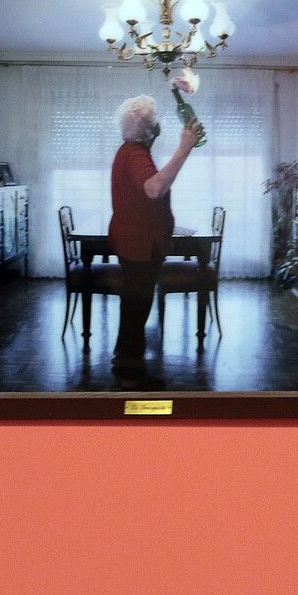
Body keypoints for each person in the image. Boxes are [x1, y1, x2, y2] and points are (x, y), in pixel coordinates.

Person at [107, 95, 203, 389]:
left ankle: (124, 362)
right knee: (137, 306)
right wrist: (185, 147)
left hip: (135, 241)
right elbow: (154, 188)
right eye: (157, 119)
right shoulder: (136, 153)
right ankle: (130, 378)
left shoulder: (132, 151)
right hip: (139, 244)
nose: (161, 122)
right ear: (150, 129)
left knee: (133, 305)